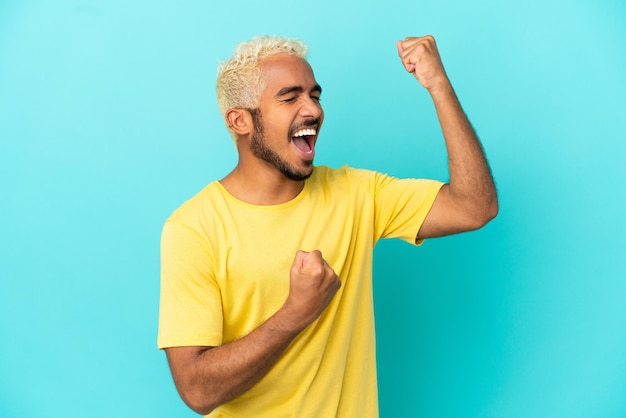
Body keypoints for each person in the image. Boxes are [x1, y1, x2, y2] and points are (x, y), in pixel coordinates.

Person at [158, 34, 498, 417]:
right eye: (290, 98)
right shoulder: (193, 228)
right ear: (240, 120)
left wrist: (438, 86)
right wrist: (295, 313)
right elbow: (197, 392)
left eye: (315, 96)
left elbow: (475, 207)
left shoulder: (357, 194)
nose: (313, 110)